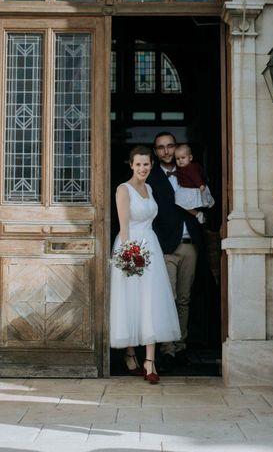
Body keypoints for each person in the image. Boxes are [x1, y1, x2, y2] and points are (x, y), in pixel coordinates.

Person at [109, 145, 181, 383]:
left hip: (151, 246)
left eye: (146, 164)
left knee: (151, 301)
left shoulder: (150, 188)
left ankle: (150, 361)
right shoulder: (123, 189)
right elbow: (124, 227)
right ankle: (130, 354)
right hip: (131, 246)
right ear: (131, 165)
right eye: (138, 164)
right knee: (131, 300)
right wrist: (129, 254)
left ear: (151, 165)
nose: (142, 168)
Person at [146, 132, 203, 372]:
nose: (167, 151)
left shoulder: (188, 169)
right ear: (155, 151)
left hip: (190, 243)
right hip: (165, 246)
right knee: (166, 299)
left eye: (170, 146)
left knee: (184, 299)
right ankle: (166, 350)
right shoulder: (150, 176)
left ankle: (181, 347)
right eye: (161, 148)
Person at [173, 143, 214, 224]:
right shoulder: (183, 168)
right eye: (177, 159)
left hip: (193, 189)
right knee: (183, 204)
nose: (180, 160)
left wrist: (200, 185)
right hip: (187, 189)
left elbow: (196, 176)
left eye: (183, 158)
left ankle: (199, 213)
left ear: (190, 157)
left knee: (183, 203)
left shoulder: (191, 168)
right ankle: (198, 213)